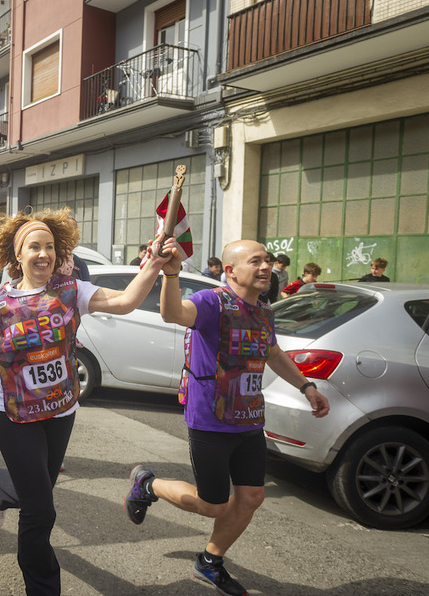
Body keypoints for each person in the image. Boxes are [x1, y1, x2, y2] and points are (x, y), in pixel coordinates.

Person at [0, 209, 174, 595]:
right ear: (17, 256)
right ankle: (43, 587)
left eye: (49, 247)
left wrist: (154, 264)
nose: (43, 254)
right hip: (14, 415)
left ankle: (2, 487)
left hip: (59, 411)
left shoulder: (71, 290)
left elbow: (125, 301)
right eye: (34, 247)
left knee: (38, 487)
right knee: (41, 510)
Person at [123, 239, 330, 596]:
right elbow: (173, 314)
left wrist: (306, 386)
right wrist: (171, 274)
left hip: (249, 418)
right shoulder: (212, 302)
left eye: (267, 260)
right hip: (211, 418)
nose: (265, 267)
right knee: (212, 505)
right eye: (256, 261)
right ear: (231, 270)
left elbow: (272, 352)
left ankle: (209, 562)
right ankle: (147, 485)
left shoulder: (264, 312)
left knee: (251, 497)